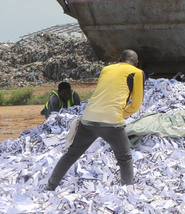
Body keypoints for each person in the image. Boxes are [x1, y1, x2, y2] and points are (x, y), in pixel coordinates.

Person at [45, 50, 144, 190]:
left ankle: (50, 186)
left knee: (71, 154)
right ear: (136, 62)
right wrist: (121, 115)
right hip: (112, 122)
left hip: (88, 118)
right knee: (125, 158)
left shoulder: (106, 69)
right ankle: (127, 191)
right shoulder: (137, 73)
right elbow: (136, 104)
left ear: (119, 59)